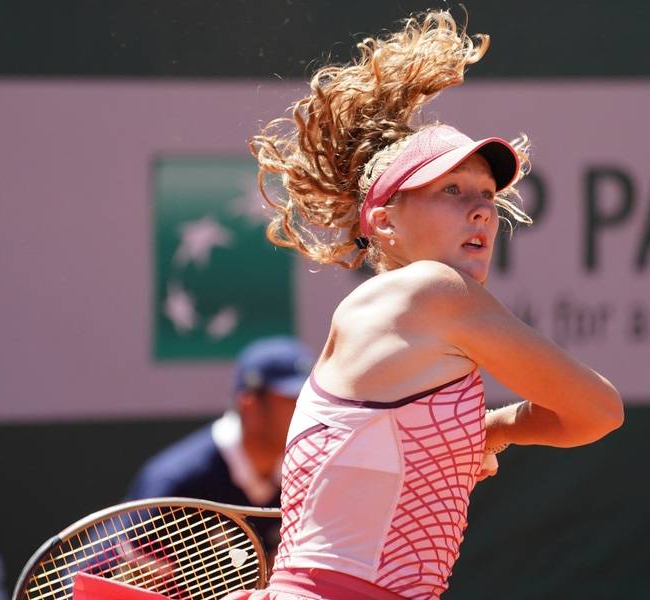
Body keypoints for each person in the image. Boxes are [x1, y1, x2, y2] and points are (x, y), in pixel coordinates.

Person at [226, 9, 624, 600]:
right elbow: (598, 410)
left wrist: (481, 435)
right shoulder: (432, 293)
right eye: (451, 190)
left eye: (488, 196)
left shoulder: (390, 315)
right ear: (383, 222)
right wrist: (496, 430)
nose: (482, 210)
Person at [126, 335, 314, 553]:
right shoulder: (174, 485)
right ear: (250, 405)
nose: (307, 411)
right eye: (292, 400)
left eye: (309, 399)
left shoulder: (308, 474)